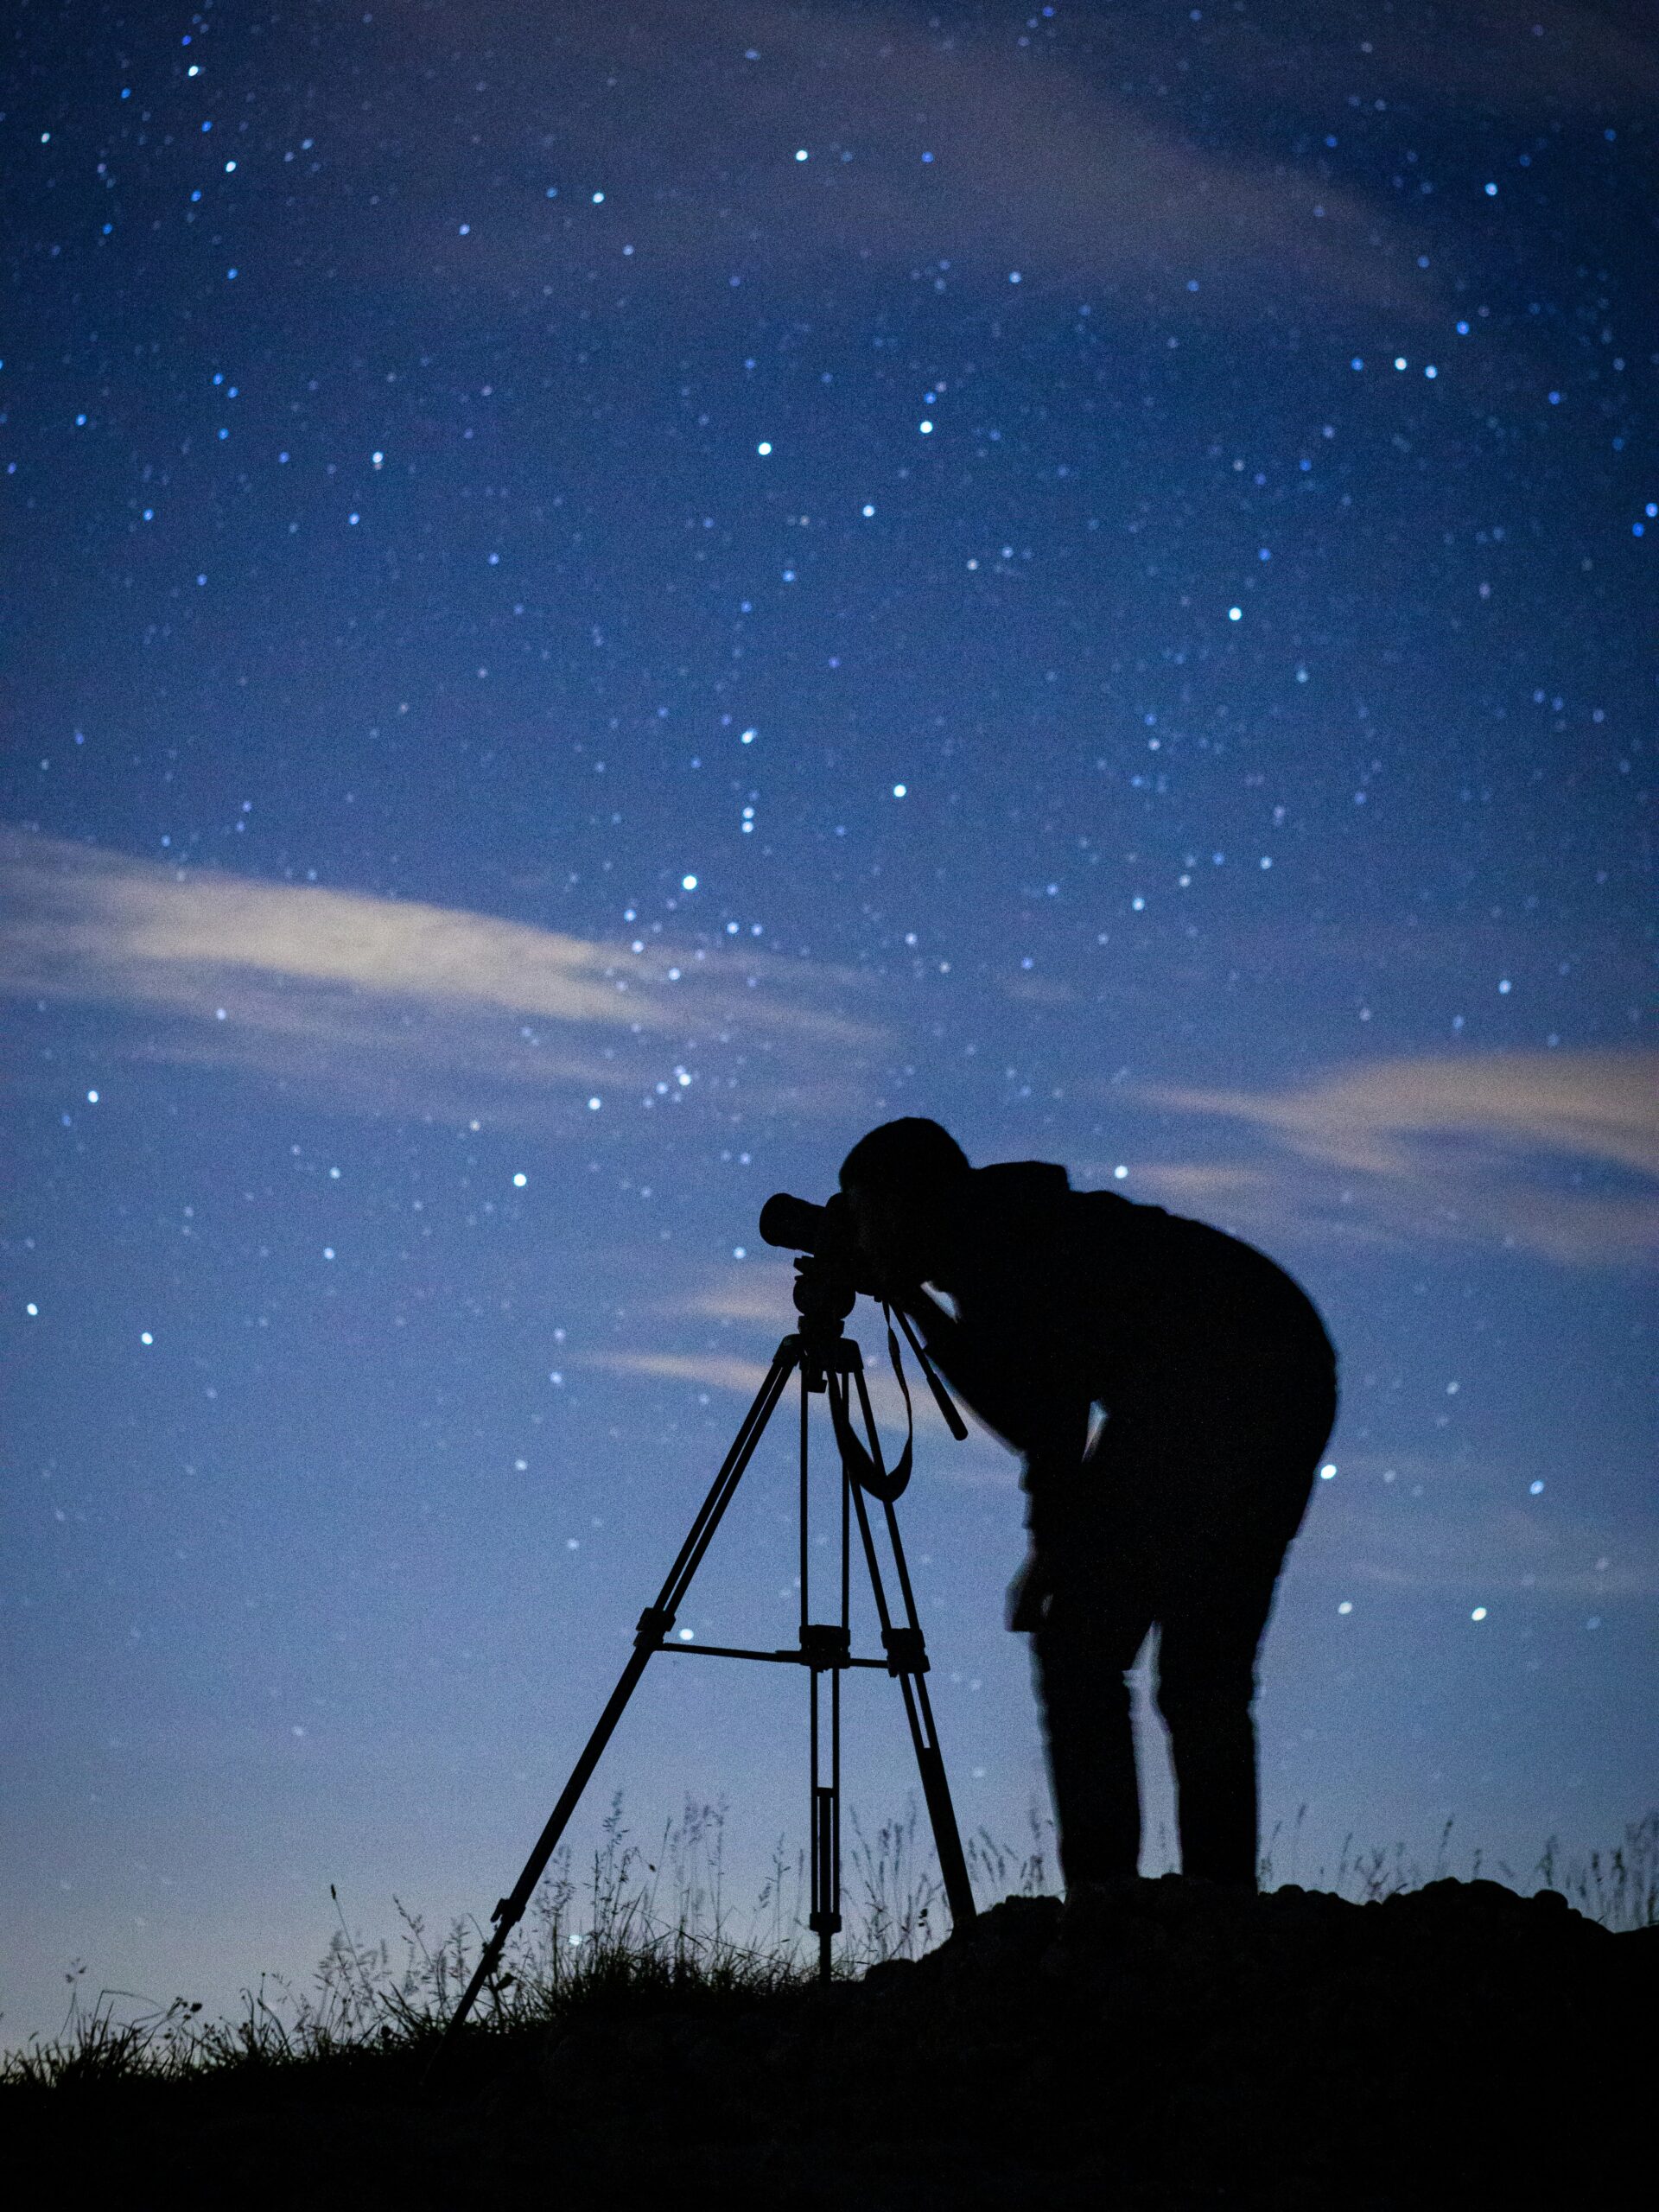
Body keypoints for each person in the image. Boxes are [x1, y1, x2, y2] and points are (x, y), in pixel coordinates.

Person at [837, 1116, 1338, 1892]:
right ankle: (1218, 1904)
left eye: (865, 1215)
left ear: (907, 1204)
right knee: (1202, 1670)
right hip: (1285, 1373)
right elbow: (1040, 1401)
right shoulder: (1011, 1227)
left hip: (1214, 1383)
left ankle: (1108, 1902)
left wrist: (1054, 1551)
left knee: (1082, 1647)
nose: (860, 1237)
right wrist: (916, 1301)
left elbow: (1046, 1418)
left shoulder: (999, 1247)